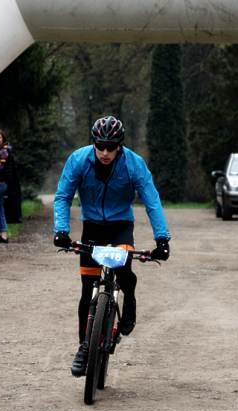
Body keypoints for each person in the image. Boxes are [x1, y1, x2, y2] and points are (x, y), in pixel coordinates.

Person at [53, 115, 171, 377]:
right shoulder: (78, 160)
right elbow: (63, 196)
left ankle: (129, 299)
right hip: (92, 226)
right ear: (93, 143)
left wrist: (162, 239)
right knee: (87, 290)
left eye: (111, 146)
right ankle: (85, 346)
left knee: (124, 268)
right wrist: (61, 230)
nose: (105, 152)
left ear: (120, 145)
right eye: (100, 146)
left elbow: (152, 201)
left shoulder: (134, 164)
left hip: (120, 226)